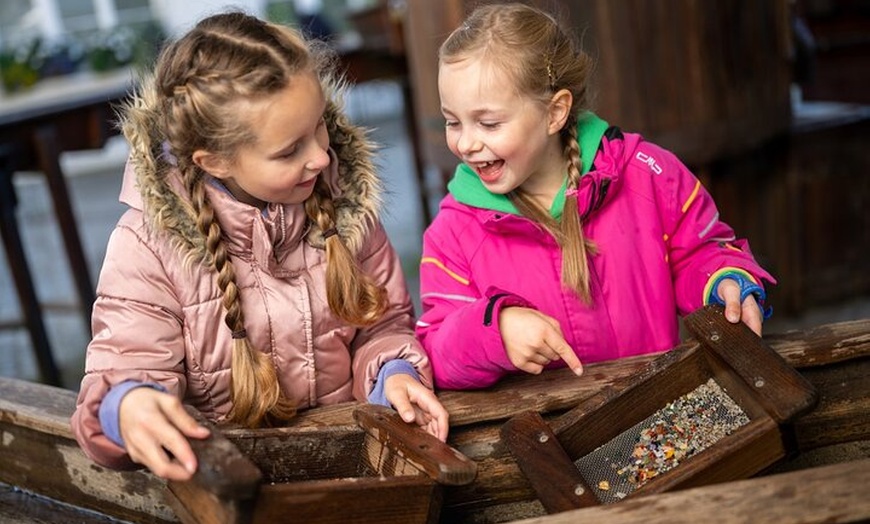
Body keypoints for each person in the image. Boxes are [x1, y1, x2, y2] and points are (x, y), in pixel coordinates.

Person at [70, 11, 448, 482]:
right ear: (215, 161)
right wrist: (127, 405)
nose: (319, 156)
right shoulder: (147, 249)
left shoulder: (345, 209)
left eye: (319, 127)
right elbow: (125, 364)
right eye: (289, 150)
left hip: (354, 473)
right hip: (233, 487)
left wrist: (391, 373)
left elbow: (383, 326)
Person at [417, 2, 776, 391]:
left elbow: (700, 252)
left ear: (555, 113)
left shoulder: (647, 176)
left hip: (656, 409)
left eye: (488, 123)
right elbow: (436, 348)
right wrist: (493, 330)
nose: (466, 143)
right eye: (453, 122)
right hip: (547, 432)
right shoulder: (452, 233)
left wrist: (723, 281)